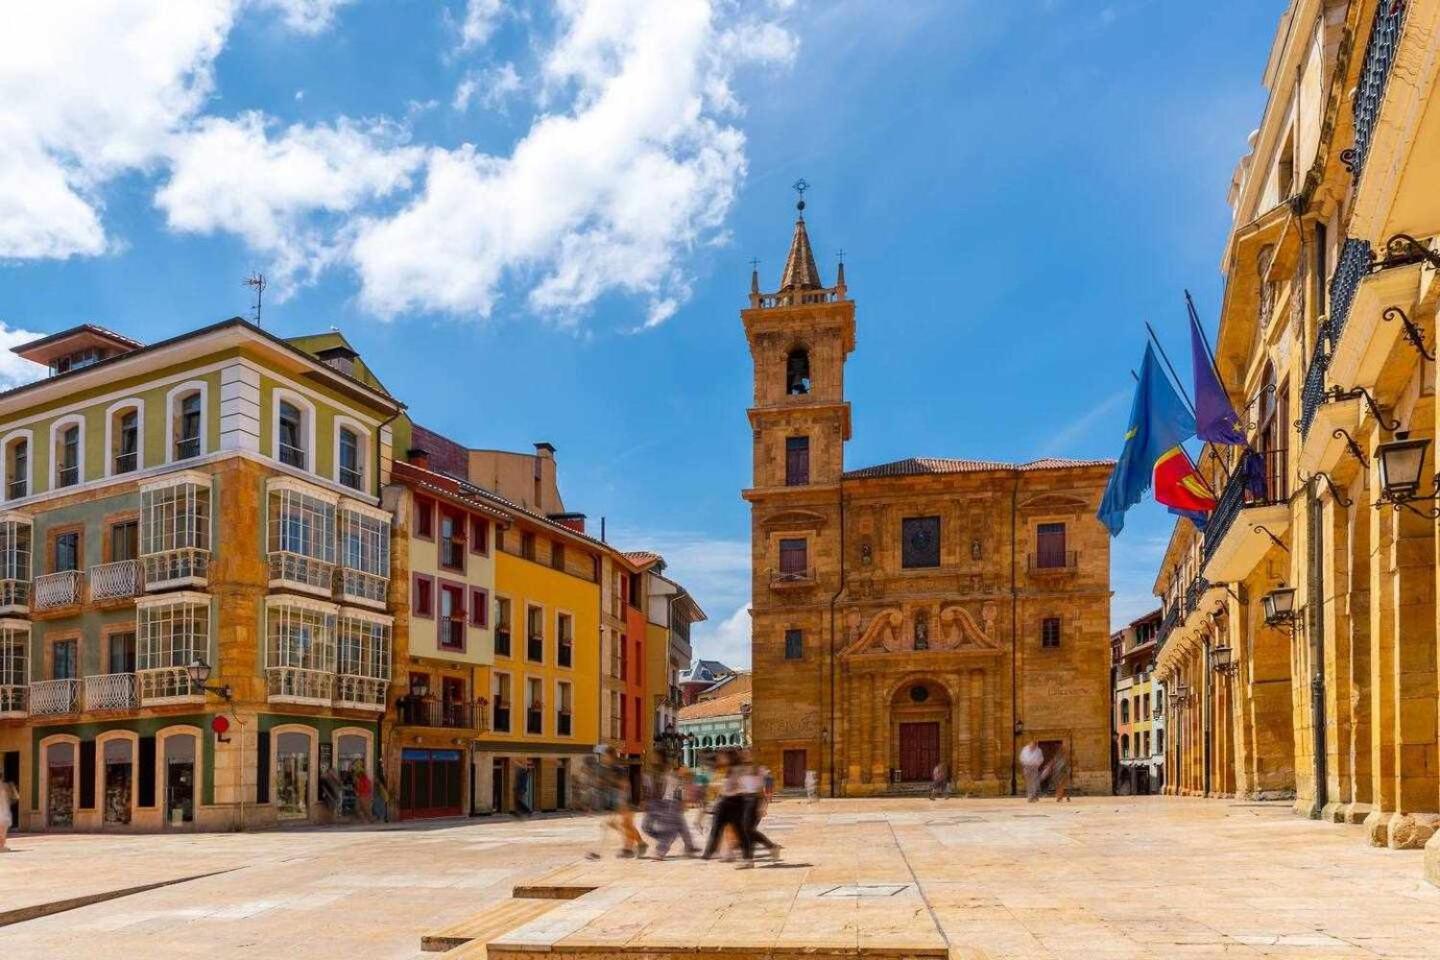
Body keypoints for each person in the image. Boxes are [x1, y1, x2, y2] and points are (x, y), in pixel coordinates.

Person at [702, 751, 752, 866]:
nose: (719, 758)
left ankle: (748, 859)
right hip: (723, 801)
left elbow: (742, 786)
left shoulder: (738, 770)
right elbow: (720, 786)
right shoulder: (724, 770)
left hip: (735, 802)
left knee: (739, 831)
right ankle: (708, 854)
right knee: (716, 828)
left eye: (722, 756)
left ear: (730, 757)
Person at [0, 777, 16, 851]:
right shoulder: (6, 786)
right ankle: (1, 846)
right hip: (4, 813)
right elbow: (15, 798)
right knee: (3, 832)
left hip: (3, 812)